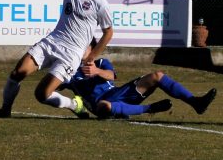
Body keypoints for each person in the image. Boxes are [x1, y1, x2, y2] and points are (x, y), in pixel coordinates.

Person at [0, 0, 113, 118]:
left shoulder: (99, 2)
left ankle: (74, 104)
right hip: (52, 42)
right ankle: (5, 110)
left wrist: (91, 57)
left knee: (41, 94)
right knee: (17, 73)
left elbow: (108, 32)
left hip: (71, 54)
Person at [60, 42, 217, 119]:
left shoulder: (101, 63)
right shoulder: (71, 73)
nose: (80, 49)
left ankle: (196, 102)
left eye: (84, 46)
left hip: (117, 93)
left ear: (93, 49)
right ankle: (150, 108)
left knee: (157, 76)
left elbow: (111, 75)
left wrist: (96, 71)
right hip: (99, 104)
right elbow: (52, 86)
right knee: (104, 106)